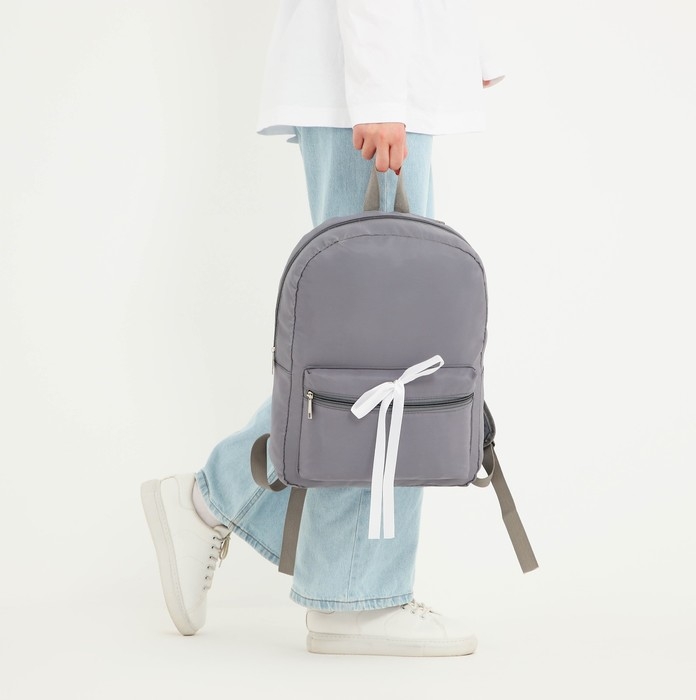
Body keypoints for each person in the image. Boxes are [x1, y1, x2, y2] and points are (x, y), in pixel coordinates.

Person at [141, 0, 504, 656]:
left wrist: (464, 50)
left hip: (390, 77)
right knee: (378, 352)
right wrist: (382, 91)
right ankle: (354, 595)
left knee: (379, 348)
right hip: (374, 82)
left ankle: (214, 507)